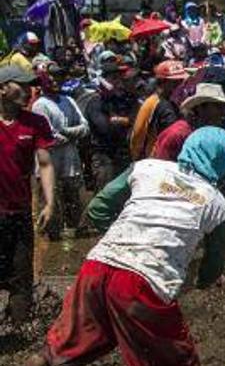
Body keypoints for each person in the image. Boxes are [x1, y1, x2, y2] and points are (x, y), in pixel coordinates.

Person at [1, 127, 225, 366]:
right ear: (221, 162)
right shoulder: (218, 205)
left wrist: (126, 236)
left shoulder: (147, 167)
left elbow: (98, 209)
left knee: (52, 348)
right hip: (142, 282)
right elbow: (212, 269)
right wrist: (191, 275)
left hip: (98, 265)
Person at [0, 65, 56, 326]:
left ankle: (21, 334)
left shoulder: (35, 122)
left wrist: (49, 203)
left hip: (20, 212)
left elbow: (44, 163)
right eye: (21, 85)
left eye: (30, 86)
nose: (28, 91)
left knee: (21, 276)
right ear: (2, 89)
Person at [31, 66, 89, 240]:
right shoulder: (40, 105)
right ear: (43, 80)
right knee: (50, 198)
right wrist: (71, 134)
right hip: (49, 158)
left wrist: (67, 132)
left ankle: (75, 230)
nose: (56, 80)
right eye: (52, 77)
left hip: (70, 158)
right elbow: (49, 136)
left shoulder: (68, 101)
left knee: (73, 195)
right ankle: (51, 235)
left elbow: (85, 127)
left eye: (60, 76)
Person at [85, 59, 140, 189]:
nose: (118, 82)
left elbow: (137, 118)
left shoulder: (123, 99)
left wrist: (122, 120)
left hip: (123, 154)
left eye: (119, 78)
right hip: (104, 157)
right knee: (106, 193)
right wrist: (125, 121)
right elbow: (106, 128)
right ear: (104, 80)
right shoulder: (96, 101)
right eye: (114, 78)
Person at [130, 60, 188, 160]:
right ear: (163, 82)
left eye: (180, 81)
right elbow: (138, 134)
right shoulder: (154, 104)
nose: (180, 85)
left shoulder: (172, 102)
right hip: (156, 160)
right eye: (175, 82)